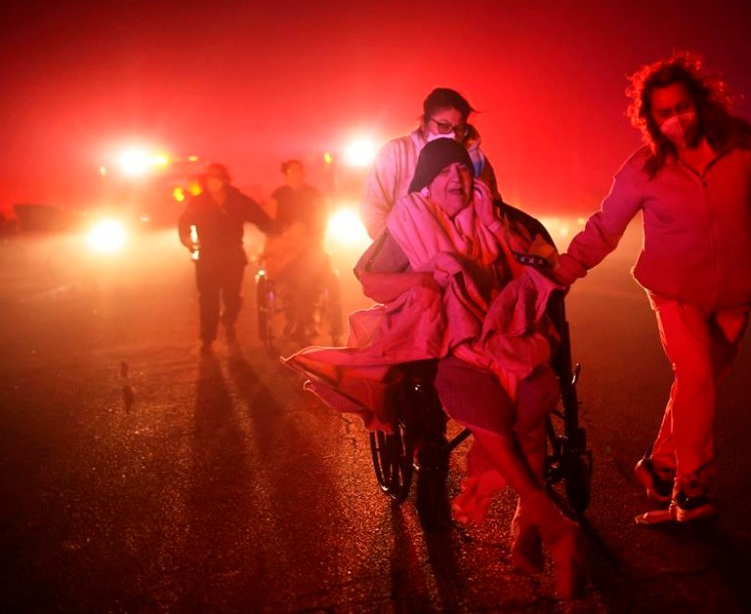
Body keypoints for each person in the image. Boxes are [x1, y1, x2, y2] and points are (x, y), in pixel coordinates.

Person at [551, 51, 751, 524]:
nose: (676, 120)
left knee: (701, 385)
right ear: (650, 119)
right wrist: (566, 268)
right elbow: (605, 226)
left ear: (701, 101)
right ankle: (691, 489)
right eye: (664, 113)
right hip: (674, 290)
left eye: (683, 107)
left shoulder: (744, 144)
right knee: (695, 375)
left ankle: (659, 466)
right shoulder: (643, 167)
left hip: (738, 290)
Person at [285, 139, 585, 599]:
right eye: (444, 172)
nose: (457, 178)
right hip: (445, 341)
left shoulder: (498, 216)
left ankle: (531, 518)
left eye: (462, 169)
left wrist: (517, 263)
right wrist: (429, 277)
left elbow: (542, 264)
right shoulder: (408, 220)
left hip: (505, 329)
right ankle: (549, 521)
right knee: (470, 390)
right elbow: (371, 280)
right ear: (426, 181)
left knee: (532, 387)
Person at [359, 86, 500, 239]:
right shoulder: (396, 152)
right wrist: (401, 245)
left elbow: (495, 209)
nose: (452, 135)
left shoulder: (477, 161)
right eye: (443, 126)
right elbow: (373, 209)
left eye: (459, 129)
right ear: (424, 122)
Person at [178, 162, 272, 355]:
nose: (213, 183)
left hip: (232, 257)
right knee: (207, 299)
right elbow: (184, 223)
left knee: (233, 298)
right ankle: (207, 338)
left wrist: (275, 230)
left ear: (224, 181)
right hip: (207, 258)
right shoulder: (199, 202)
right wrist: (187, 240)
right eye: (210, 179)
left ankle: (229, 320)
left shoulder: (237, 199)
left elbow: (259, 217)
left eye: (217, 179)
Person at [261, 159, 331, 345]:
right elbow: (270, 220)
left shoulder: (313, 193)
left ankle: (306, 321)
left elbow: (322, 217)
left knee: (311, 281)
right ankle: (294, 318)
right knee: (287, 283)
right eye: (291, 172)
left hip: (309, 244)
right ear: (286, 175)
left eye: (298, 171)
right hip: (286, 245)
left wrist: (311, 234)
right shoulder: (278, 195)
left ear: (303, 174)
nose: (296, 175)